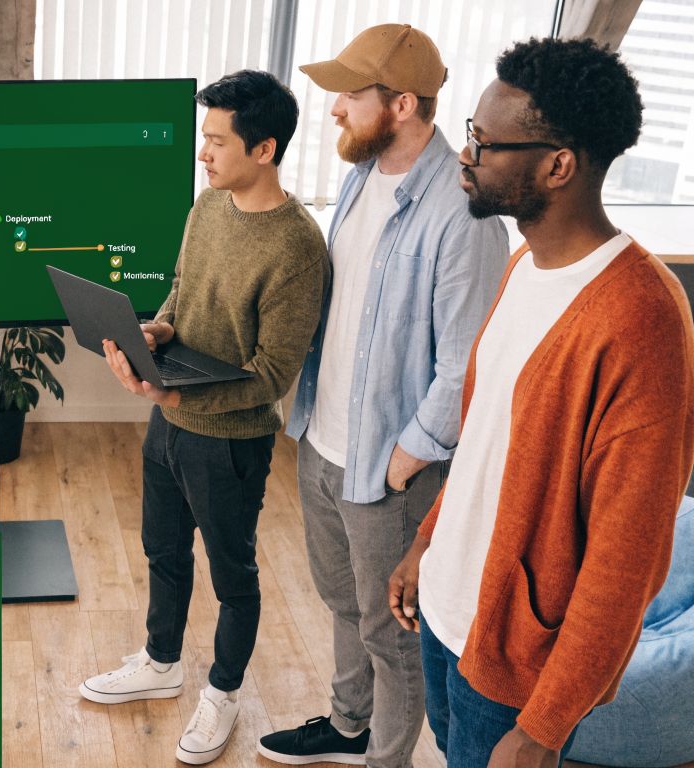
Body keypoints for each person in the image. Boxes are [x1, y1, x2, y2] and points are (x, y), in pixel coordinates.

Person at [387, 37, 694, 767]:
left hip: (516, 655)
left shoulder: (641, 319)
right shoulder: (524, 263)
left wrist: (549, 724)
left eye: (486, 145)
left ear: (558, 165)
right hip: (446, 610)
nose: (465, 157)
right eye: (472, 135)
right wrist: (427, 543)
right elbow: (486, 437)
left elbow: (631, 557)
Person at [259, 24, 508, 768]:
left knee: (393, 637)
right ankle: (346, 725)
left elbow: (467, 362)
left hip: (390, 469)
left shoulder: (463, 213)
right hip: (323, 439)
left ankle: (386, 758)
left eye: (349, 94)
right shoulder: (362, 175)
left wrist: (408, 457)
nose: (333, 108)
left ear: (401, 104)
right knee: (342, 604)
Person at [79, 70, 328, 765]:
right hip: (172, 422)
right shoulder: (208, 208)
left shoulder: (298, 248)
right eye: (204, 139)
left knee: (232, 574)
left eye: (218, 142)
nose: (204, 154)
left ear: (265, 149)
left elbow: (274, 375)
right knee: (162, 550)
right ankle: (161, 662)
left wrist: (178, 398)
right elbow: (182, 294)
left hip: (230, 443)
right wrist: (155, 332)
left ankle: (223, 693)